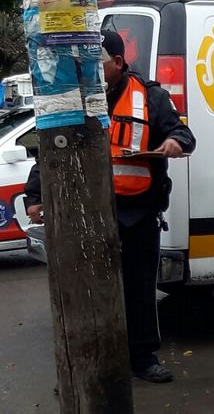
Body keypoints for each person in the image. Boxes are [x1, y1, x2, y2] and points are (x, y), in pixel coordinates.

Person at [24, 30, 196, 383]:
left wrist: (175, 142)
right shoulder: (74, 100)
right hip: (85, 212)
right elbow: (52, 151)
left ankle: (143, 357)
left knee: (138, 286)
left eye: (97, 64)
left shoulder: (151, 97)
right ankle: (88, 364)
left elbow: (182, 134)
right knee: (85, 290)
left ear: (117, 63)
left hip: (137, 212)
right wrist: (35, 196)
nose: (90, 71)